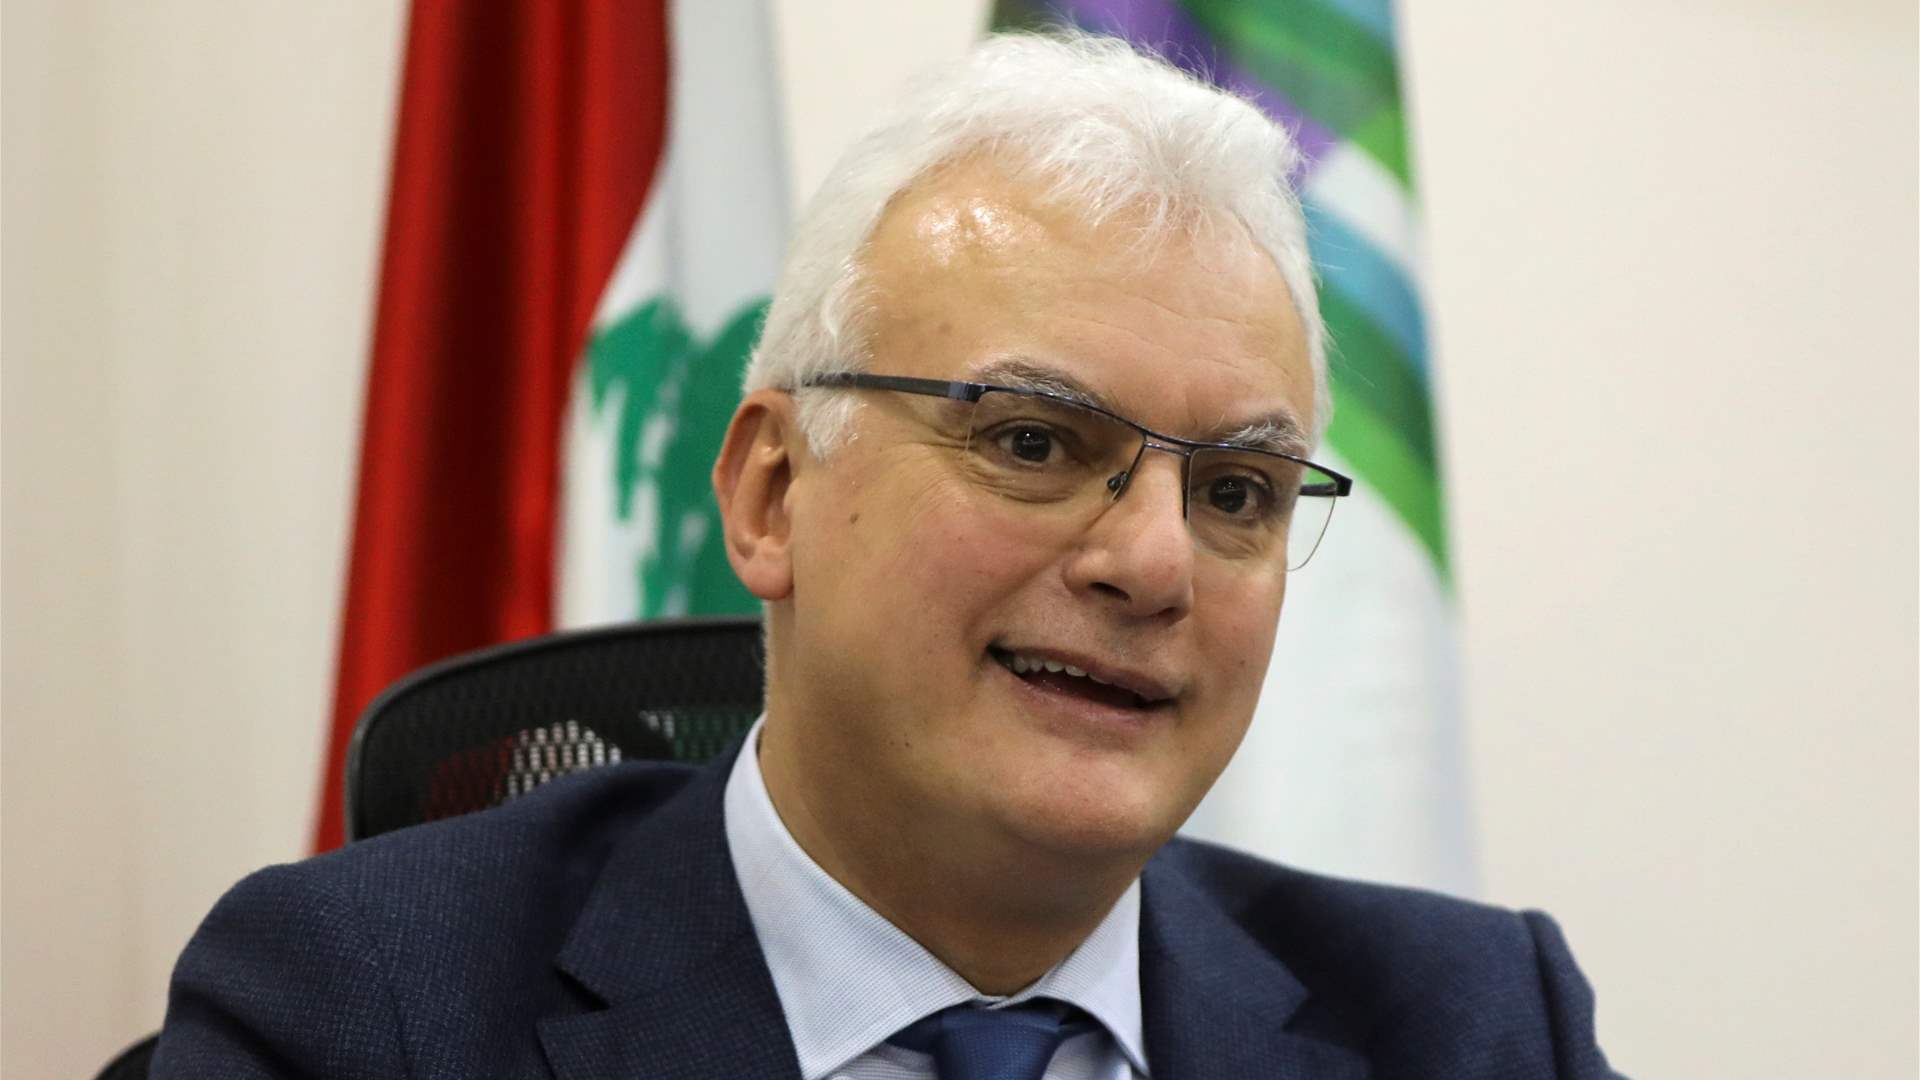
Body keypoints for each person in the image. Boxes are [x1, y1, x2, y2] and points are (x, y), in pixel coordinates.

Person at [153, 32, 1618, 1079]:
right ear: (771, 494)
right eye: (1034, 441)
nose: (1155, 562)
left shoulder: (1477, 1026)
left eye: (1237, 489)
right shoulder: (367, 1009)